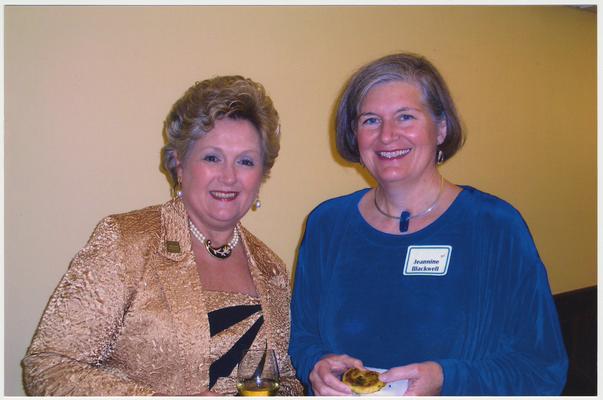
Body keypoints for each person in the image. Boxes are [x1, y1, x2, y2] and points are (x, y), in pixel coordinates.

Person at [288, 53, 568, 396]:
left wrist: (448, 379)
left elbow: (542, 370)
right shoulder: (327, 225)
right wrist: (316, 363)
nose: (387, 136)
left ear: (442, 128)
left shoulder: (495, 226)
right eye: (371, 121)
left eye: (405, 117)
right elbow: (302, 336)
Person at [22, 76, 304, 396]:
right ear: (179, 164)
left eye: (246, 161)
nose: (229, 176)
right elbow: (48, 366)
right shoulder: (126, 242)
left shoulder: (272, 269)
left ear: (261, 176)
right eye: (212, 157)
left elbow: (285, 381)